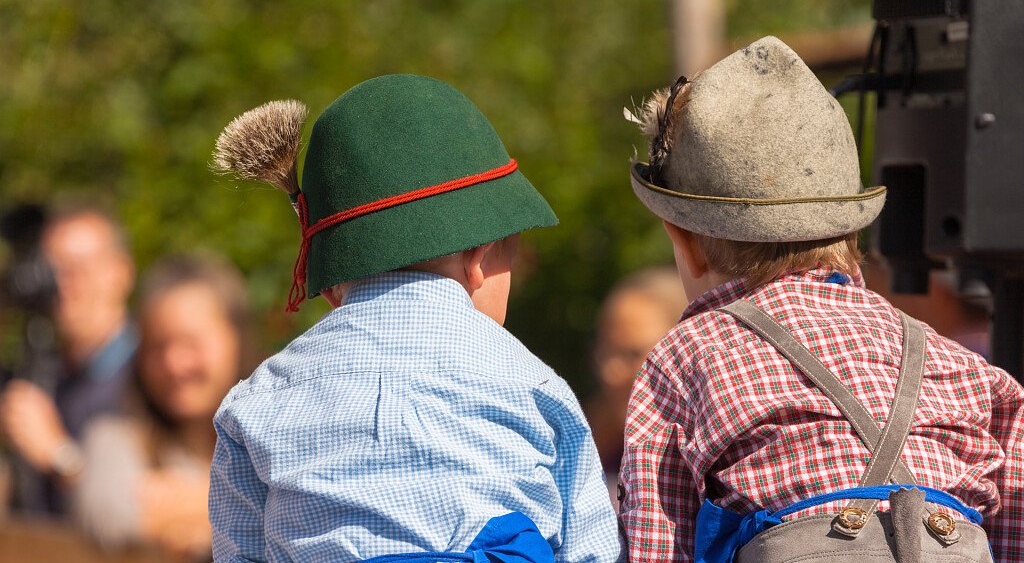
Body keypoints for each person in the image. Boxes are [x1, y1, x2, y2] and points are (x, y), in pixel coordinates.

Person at [618, 36, 1023, 561]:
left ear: (683, 243)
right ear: (851, 233)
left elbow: (655, 545)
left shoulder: (685, 358)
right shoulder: (972, 373)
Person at [209, 75, 623, 562]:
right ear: (479, 257)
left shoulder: (257, 403)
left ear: (332, 283)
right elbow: (593, 550)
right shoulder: (533, 387)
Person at [72, 254, 252, 560]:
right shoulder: (114, 440)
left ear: (236, 338)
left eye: (191, 343)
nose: (173, 363)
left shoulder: (276, 434)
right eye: (157, 346)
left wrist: (197, 500)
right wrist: (250, 504)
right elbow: (112, 521)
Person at [0, 203, 136, 513]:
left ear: (122, 272)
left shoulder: (155, 374)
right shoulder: (42, 374)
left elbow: (151, 508)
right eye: (51, 271)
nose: (62, 286)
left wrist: (58, 454)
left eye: (76, 269)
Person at [586, 267, 686, 506]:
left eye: (633, 354)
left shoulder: (708, 461)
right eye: (607, 350)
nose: (612, 373)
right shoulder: (586, 443)